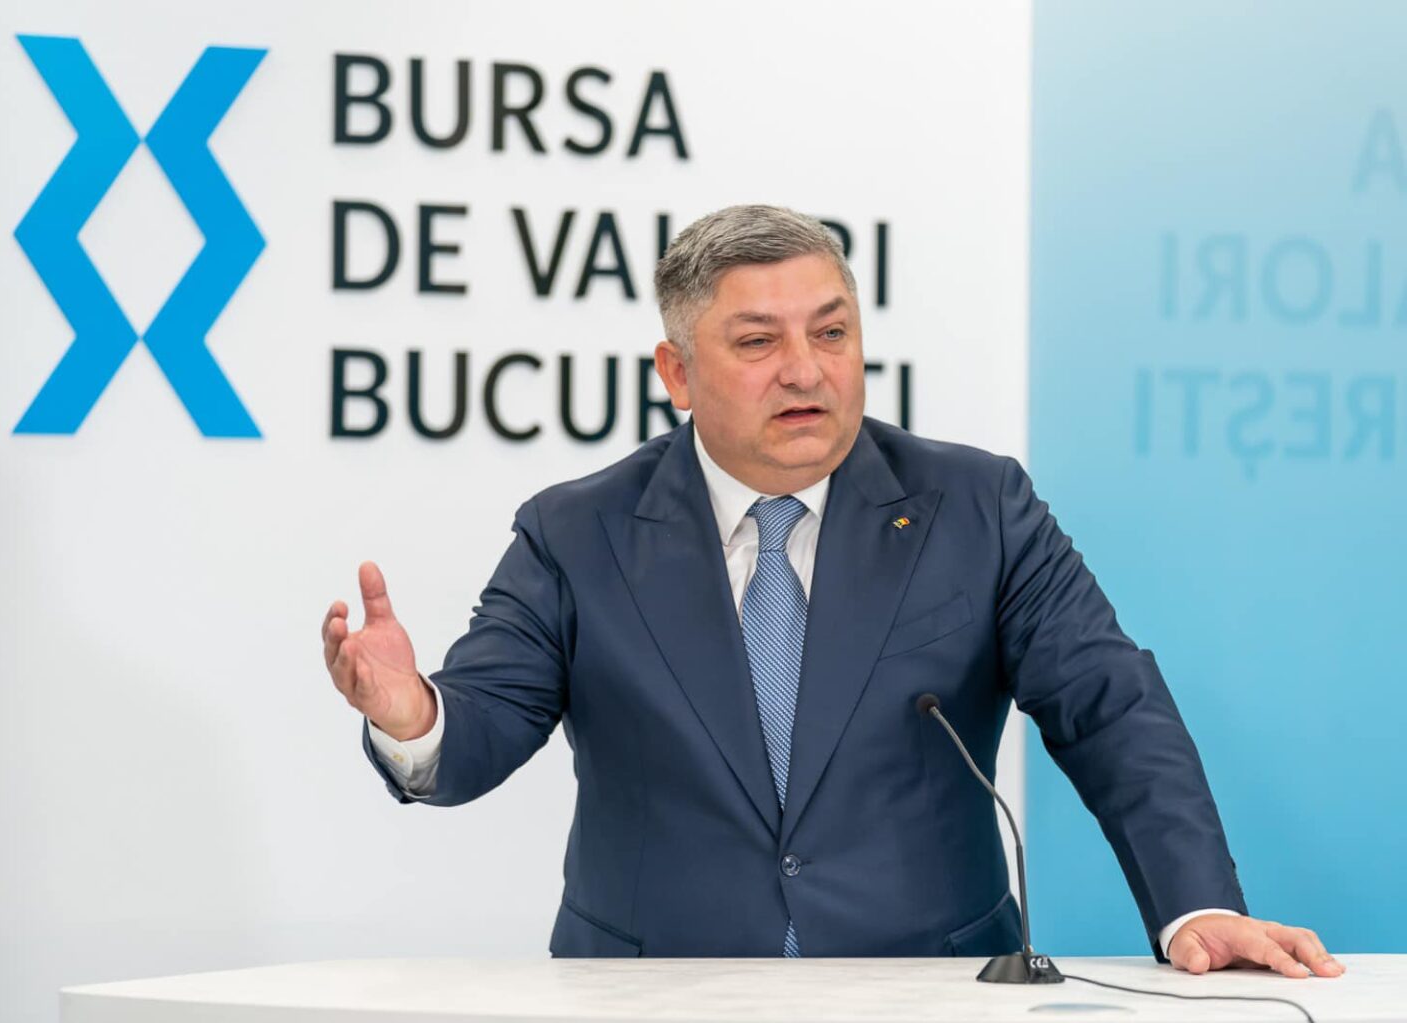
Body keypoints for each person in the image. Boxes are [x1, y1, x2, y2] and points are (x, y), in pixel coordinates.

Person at [322, 205, 1341, 976]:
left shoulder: (977, 506)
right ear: (677, 373)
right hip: (655, 991)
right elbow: (484, 724)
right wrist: (415, 717)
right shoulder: (577, 531)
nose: (806, 371)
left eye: (832, 332)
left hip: (933, 984)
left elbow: (1108, 705)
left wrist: (1195, 905)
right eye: (757, 342)